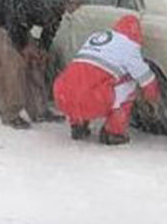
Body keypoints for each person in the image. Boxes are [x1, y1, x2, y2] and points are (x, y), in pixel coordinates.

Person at [0, 0, 87, 129]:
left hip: (20, 25)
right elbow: (15, 20)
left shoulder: (58, 4)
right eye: (76, 3)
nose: (77, 8)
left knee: (35, 63)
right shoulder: (47, 1)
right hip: (1, 23)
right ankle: (9, 113)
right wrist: (24, 47)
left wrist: (43, 49)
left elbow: (51, 26)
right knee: (12, 67)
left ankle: (39, 110)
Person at [53, 14, 160, 146]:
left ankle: (78, 125)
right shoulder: (129, 47)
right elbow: (146, 80)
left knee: (79, 82)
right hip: (90, 100)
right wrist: (152, 100)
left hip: (63, 94)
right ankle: (113, 133)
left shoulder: (96, 37)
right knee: (130, 86)